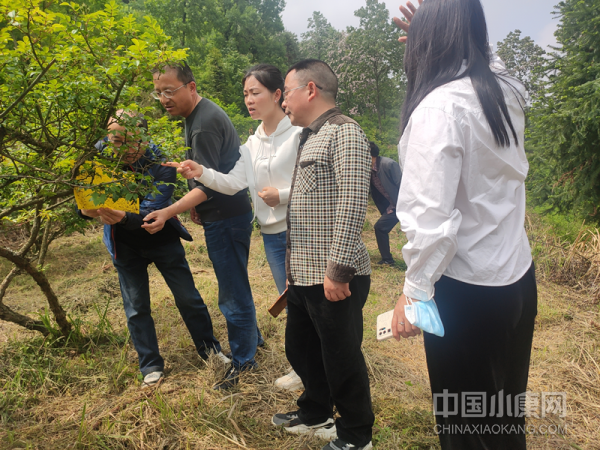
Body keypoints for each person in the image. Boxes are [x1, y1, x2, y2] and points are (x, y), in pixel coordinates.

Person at [390, 1, 537, 449]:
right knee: (504, 410)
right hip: (516, 277)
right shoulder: (504, 91)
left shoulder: (440, 107)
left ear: (426, 39)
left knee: (464, 424)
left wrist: (413, 293)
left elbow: (429, 219)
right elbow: (491, 59)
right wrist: (452, 35)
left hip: (466, 288)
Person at [167, 64, 304, 392]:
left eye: (255, 92)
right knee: (294, 303)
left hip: (300, 232)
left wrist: (281, 195)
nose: (249, 100)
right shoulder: (253, 142)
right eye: (245, 94)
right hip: (271, 236)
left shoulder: (300, 134)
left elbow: (319, 186)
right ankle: (303, 365)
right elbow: (233, 183)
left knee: (308, 302)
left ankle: (315, 366)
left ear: (276, 94)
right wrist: (201, 171)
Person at [78, 111, 227, 388]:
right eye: (117, 141)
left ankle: (211, 351)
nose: (126, 149)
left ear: (145, 137)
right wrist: (87, 209)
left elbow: (152, 210)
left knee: (188, 297)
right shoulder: (97, 157)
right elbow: (85, 202)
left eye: (134, 141)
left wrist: (120, 215)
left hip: (162, 239)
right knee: (136, 307)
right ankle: (150, 365)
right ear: (108, 138)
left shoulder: (162, 161)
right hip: (123, 245)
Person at [270, 59, 374, 450]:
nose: (284, 103)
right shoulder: (307, 136)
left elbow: (351, 204)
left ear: (310, 90)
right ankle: (317, 412)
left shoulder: (344, 133)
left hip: (333, 276)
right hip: (303, 274)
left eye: (288, 92)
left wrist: (339, 270)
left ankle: (355, 434)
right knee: (301, 348)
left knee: (341, 358)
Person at [143, 62, 260, 390]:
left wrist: (169, 212)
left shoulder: (203, 123)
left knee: (232, 292)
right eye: (159, 92)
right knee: (236, 283)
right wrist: (199, 206)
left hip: (227, 217)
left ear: (191, 87)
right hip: (221, 213)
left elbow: (208, 184)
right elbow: (206, 174)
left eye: (170, 90)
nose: (164, 98)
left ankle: (243, 360)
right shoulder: (195, 115)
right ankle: (253, 341)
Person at [368, 141, 402, 266]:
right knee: (380, 228)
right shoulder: (369, 170)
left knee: (414, 232)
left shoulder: (389, 165)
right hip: (391, 207)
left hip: (403, 205)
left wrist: (403, 207)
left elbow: (403, 186)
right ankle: (387, 260)